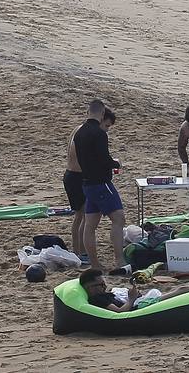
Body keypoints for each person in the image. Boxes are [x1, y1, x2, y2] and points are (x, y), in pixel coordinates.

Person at [75, 103, 127, 271]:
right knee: (118, 218)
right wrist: (116, 163)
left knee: (90, 224)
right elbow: (104, 159)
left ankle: (95, 264)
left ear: (88, 111)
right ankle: (120, 260)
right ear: (102, 113)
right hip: (101, 183)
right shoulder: (99, 134)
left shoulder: (80, 132)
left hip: (87, 182)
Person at [64, 98, 108, 261]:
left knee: (79, 216)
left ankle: (77, 251)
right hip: (77, 176)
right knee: (84, 215)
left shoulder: (77, 129)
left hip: (69, 175)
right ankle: (81, 252)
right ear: (101, 115)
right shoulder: (87, 132)